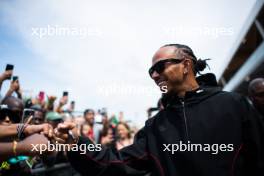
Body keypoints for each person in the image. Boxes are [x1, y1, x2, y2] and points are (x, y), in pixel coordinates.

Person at [54, 44, 264, 176]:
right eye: (150, 71)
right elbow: (116, 164)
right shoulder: (155, 126)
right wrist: (75, 144)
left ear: (186, 65)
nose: (154, 75)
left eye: (160, 67)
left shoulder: (235, 105)